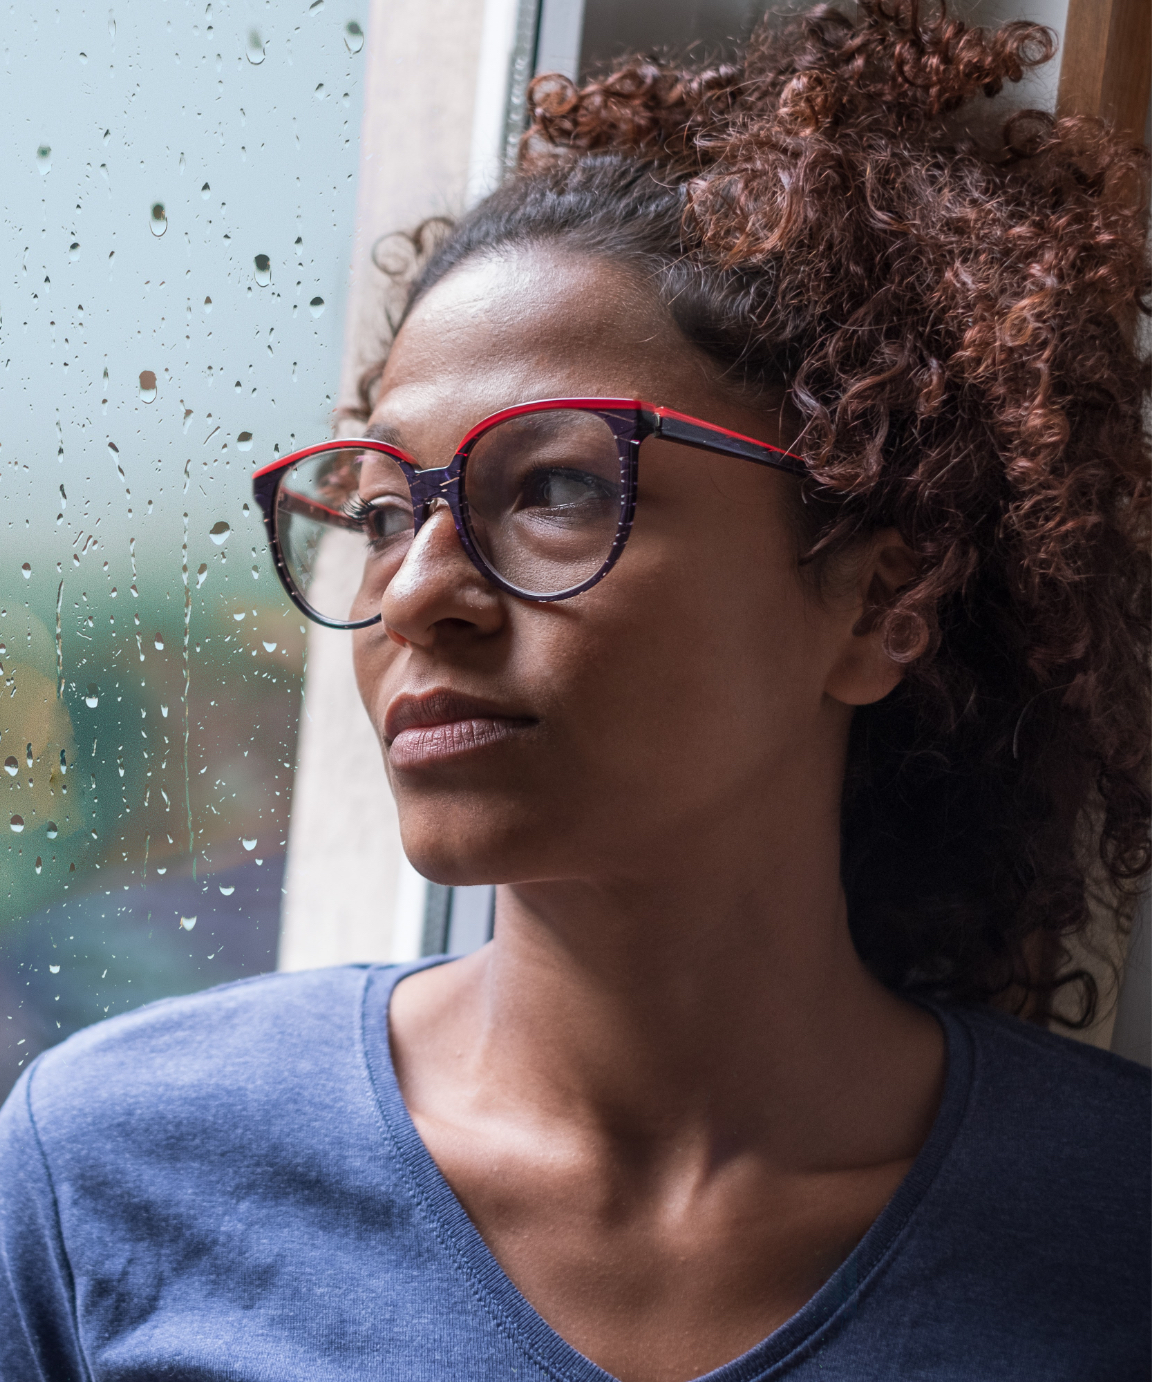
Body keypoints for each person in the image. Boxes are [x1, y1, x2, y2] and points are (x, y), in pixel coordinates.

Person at [1, 4, 1148, 1379]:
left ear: (879, 602)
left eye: (553, 487)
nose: (417, 590)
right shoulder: (112, 1172)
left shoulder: (1110, 1233)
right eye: (378, 511)